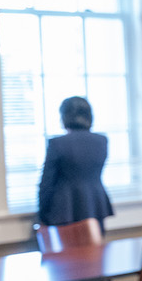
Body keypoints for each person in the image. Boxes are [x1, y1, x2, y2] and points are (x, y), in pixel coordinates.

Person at [37, 95, 113, 228]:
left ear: (64, 116)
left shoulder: (57, 143)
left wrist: (42, 215)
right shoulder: (101, 141)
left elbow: (46, 184)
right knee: (97, 248)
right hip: (95, 206)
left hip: (63, 210)